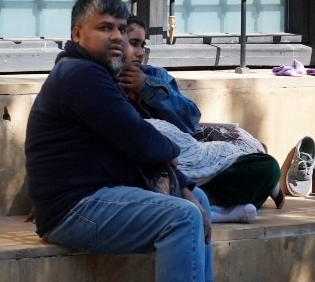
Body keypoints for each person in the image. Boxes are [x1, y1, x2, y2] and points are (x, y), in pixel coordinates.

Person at [24, 0, 252, 282]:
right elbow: (139, 139)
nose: (116, 36)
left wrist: (182, 184)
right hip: (73, 210)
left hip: (98, 197)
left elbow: (138, 146)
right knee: (181, 216)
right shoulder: (80, 76)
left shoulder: (94, 74)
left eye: (119, 28)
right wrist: (171, 159)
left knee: (192, 197)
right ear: (78, 34)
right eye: (104, 28)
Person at [119, 16, 283, 211]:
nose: (140, 53)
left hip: (191, 165)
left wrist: (148, 88)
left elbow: (190, 120)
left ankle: (206, 202)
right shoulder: (104, 84)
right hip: (154, 172)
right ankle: (215, 206)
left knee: (266, 168)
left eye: (143, 45)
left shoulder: (156, 77)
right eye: (134, 44)